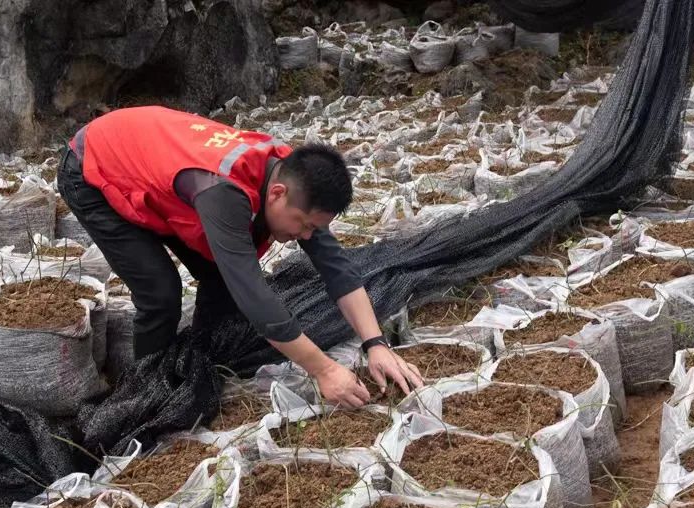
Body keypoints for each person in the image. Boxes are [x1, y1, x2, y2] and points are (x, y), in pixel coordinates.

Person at [57, 105, 423, 408]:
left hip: (153, 162)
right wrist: (325, 371)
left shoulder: (291, 173)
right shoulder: (223, 193)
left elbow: (336, 268)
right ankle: (144, 393)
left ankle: (198, 356)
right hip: (93, 166)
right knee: (160, 293)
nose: (305, 237)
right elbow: (254, 294)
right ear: (277, 194)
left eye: (314, 229)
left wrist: (376, 344)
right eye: (304, 225)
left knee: (220, 274)